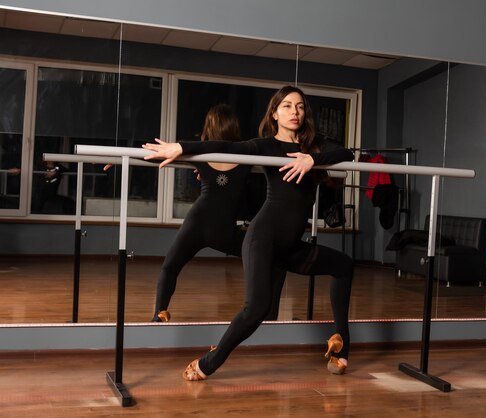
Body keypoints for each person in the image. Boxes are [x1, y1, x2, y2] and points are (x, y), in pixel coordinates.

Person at [143, 85, 355, 379]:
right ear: (274, 113)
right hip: (262, 238)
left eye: (300, 106)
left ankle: (342, 344)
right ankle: (210, 362)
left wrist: (311, 159)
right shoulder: (265, 146)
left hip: (290, 245)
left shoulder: (315, 146)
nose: (294, 112)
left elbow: (349, 153)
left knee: (344, 266)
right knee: (257, 308)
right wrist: (181, 147)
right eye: (287, 106)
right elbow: (224, 148)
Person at [150, 104, 286, 323]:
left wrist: (118, 158)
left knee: (170, 267)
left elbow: (156, 154)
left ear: (209, 127)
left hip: (198, 222)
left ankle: (158, 313)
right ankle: (270, 316)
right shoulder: (246, 157)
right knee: (275, 259)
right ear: (234, 127)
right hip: (223, 230)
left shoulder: (199, 152)